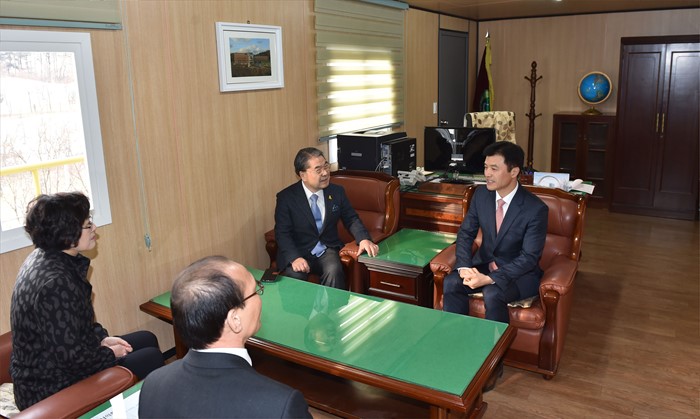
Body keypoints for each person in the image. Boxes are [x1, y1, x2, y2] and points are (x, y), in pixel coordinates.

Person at [10, 192, 164, 410]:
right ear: (66, 234)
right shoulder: (55, 283)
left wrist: (102, 339)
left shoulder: (47, 257)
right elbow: (73, 360)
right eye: (88, 225)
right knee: (150, 357)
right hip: (47, 386)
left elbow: (74, 325)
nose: (95, 229)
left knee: (147, 338)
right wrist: (109, 354)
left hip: (58, 363)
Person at [138, 256, 312, 418]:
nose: (260, 299)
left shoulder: (152, 384)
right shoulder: (281, 405)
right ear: (235, 320)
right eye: (255, 291)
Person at [443, 142, 548, 323]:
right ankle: (457, 335)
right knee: (451, 282)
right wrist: (464, 267)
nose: (487, 174)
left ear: (514, 172)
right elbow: (466, 233)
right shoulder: (481, 195)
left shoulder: (535, 209)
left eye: (494, 168)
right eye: (485, 167)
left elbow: (529, 257)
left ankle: (496, 341)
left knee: (492, 292)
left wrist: (490, 278)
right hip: (484, 264)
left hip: (520, 274)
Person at [274, 147, 379, 289]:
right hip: (299, 250)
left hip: (326, 249)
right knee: (295, 276)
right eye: (318, 170)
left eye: (326, 166)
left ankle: (333, 304)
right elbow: (282, 233)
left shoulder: (337, 192)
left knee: (334, 270)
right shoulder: (286, 198)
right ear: (303, 175)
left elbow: (351, 218)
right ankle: (301, 305)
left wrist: (363, 239)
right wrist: (294, 258)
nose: (325, 173)